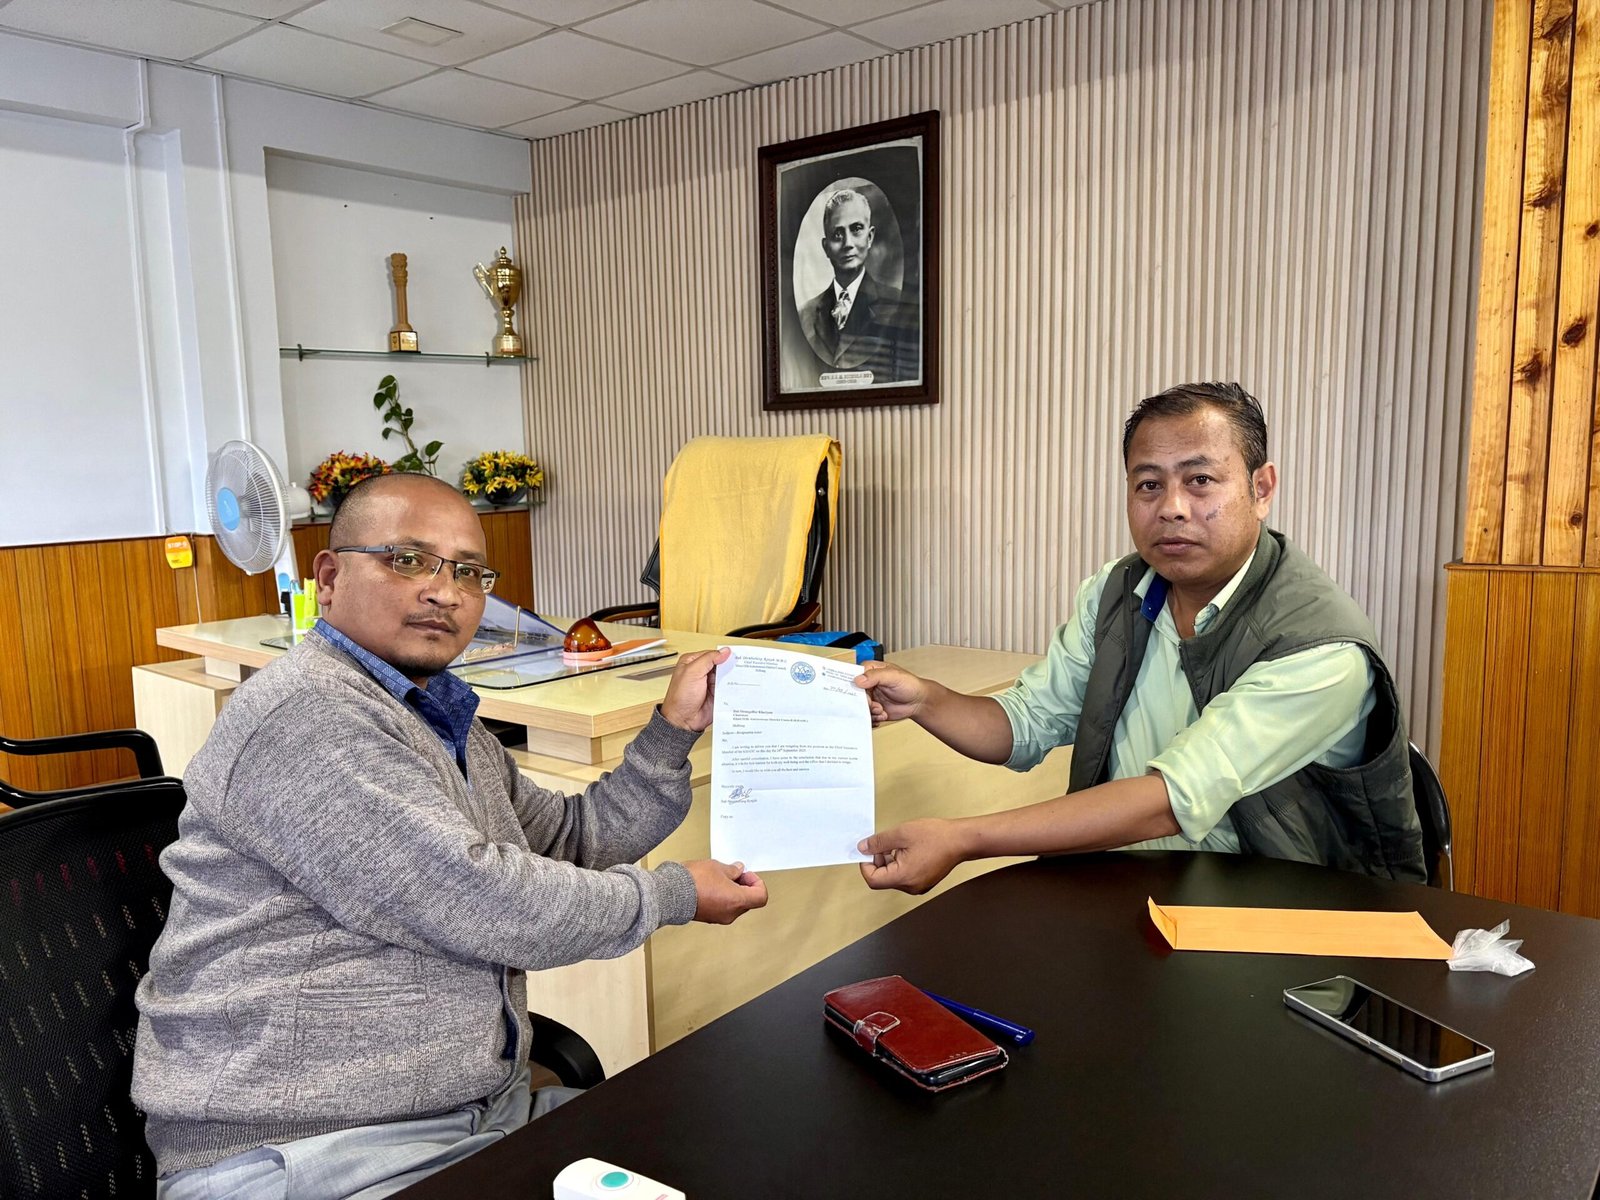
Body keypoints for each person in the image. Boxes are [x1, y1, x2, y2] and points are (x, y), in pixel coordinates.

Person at [133, 472, 768, 1199]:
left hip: (473, 1117)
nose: (446, 592)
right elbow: (486, 902)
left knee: (728, 1147)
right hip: (305, 1152)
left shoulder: (433, 714)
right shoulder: (307, 715)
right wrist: (674, 895)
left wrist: (673, 729)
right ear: (330, 578)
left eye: (469, 572)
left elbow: (573, 839)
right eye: (408, 560)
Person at [854, 381, 1425, 895]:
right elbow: (1026, 723)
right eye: (1149, 484)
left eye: (1200, 480)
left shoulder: (1321, 643)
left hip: (1286, 918)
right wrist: (926, 700)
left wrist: (963, 838)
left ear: (1261, 488)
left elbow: (1171, 797)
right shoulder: (1119, 591)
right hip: (1129, 893)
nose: (1172, 508)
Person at [798, 187, 919, 382]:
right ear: (826, 247)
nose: (848, 243)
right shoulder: (806, 313)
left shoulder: (897, 304)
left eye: (856, 229)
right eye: (837, 234)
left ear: (869, 237)